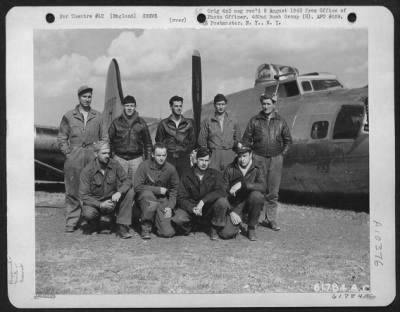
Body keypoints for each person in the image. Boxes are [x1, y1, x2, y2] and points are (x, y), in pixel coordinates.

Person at [58, 86, 108, 233]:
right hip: (74, 158)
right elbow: (62, 137)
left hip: (93, 158)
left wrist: (96, 152)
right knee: (72, 190)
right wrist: (69, 153)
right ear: (79, 97)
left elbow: (104, 138)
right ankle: (72, 221)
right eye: (84, 96)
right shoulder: (69, 116)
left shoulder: (98, 116)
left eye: (89, 97)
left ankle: (92, 220)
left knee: (93, 190)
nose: (87, 99)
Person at [242, 94, 292, 231]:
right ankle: (255, 218)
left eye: (268, 104)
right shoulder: (254, 121)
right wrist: (250, 156)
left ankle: (271, 219)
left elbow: (288, 140)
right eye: (264, 104)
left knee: (273, 191)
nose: (266, 106)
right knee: (258, 189)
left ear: (274, 104)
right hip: (258, 158)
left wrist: (282, 154)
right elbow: (246, 140)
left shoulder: (281, 121)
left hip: (276, 159)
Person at [171, 147, 230, 240]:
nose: (204, 163)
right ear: (196, 160)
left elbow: (221, 191)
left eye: (206, 160)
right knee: (177, 219)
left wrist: (203, 201)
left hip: (208, 208)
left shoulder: (215, 174)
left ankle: (214, 227)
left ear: (209, 161)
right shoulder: (186, 175)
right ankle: (190, 227)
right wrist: (191, 208)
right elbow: (181, 197)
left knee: (222, 202)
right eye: (201, 160)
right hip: (192, 208)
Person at [79, 141, 134, 239]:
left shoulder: (114, 164)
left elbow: (127, 180)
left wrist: (119, 192)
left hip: (112, 201)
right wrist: (100, 204)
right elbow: (84, 195)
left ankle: (122, 226)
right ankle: (95, 224)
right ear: (96, 154)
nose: (107, 155)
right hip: (96, 203)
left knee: (130, 192)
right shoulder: (87, 171)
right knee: (88, 213)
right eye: (104, 153)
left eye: (108, 153)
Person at [133, 143, 180, 239]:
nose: (161, 158)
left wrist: (170, 206)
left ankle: (155, 222)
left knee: (168, 233)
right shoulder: (144, 166)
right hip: (145, 200)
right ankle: (146, 228)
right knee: (148, 196)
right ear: (153, 155)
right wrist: (157, 190)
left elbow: (174, 189)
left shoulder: (171, 169)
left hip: (162, 201)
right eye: (158, 155)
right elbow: (137, 187)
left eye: (164, 155)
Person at [221, 142, 265, 241]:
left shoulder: (258, 167)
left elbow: (263, 186)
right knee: (225, 234)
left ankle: (251, 227)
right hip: (236, 204)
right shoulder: (230, 168)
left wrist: (243, 184)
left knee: (257, 196)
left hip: (251, 200)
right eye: (240, 156)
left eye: (245, 156)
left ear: (251, 154)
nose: (242, 159)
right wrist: (231, 211)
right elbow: (222, 191)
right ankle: (237, 225)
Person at [108, 95, 152, 182]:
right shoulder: (116, 122)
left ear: (135, 107)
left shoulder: (142, 123)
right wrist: (109, 159)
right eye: (127, 105)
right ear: (123, 106)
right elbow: (109, 142)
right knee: (119, 186)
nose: (129, 108)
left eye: (132, 106)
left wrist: (148, 162)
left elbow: (148, 144)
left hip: (136, 160)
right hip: (119, 159)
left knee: (136, 186)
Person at [198, 93, 241, 172]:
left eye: (222, 104)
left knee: (230, 177)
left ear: (226, 105)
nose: (220, 107)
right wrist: (208, 155)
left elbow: (237, 138)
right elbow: (202, 141)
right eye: (218, 104)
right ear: (214, 105)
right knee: (213, 178)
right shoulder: (207, 121)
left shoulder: (233, 121)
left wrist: (233, 151)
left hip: (229, 154)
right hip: (214, 155)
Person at [155, 95, 196, 177]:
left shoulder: (189, 123)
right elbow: (159, 142)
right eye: (176, 106)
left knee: (185, 184)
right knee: (169, 184)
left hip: (184, 158)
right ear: (171, 107)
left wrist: (185, 151)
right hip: (169, 159)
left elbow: (193, 141)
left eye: (180, 106)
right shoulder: (163, 124)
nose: (179, 108)